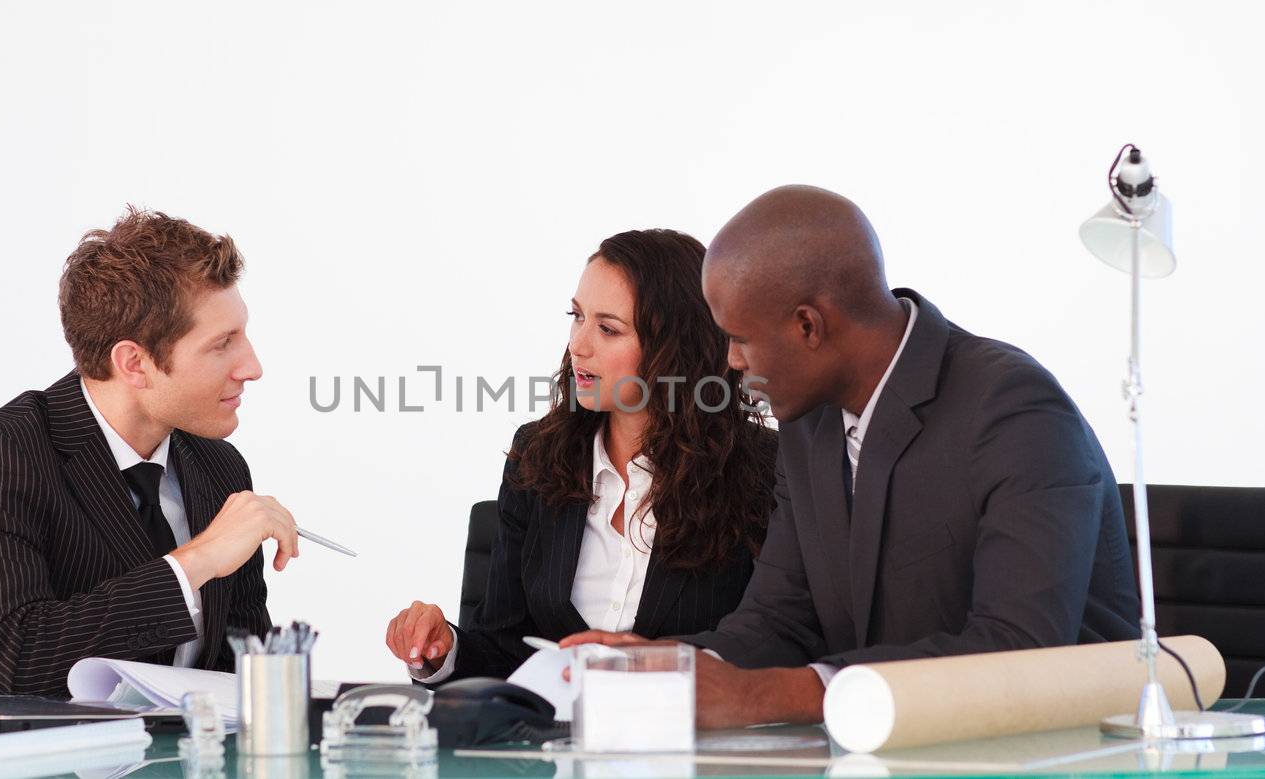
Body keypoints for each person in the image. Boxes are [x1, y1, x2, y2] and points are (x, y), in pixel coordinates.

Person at [562, 186, 1140, 727]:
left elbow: (1019, 647)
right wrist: (666, 662)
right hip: (889, 746)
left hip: (1056, 752)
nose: (731, 362)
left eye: (739, 338)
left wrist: (769, 695)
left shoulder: (1014, 411)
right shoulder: (809, 418)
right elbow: (780, 620)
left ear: (809, 326)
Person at [0, 208, 298, 697]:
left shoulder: (218, 466)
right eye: (222, 344)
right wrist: (197, 561)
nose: (253, 367)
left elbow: (238, 675)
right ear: (134, 363)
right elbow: (11, 663)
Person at [384, 229, 777, 683]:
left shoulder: (763, 470)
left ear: (677, 348)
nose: (578, 344)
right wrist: (443, 650)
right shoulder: (537, 456)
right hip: (557, 743)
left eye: (608, 328)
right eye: (577, 317)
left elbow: (773, 641)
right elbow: (503, 648)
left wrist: (660, 662)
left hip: (696, 742)